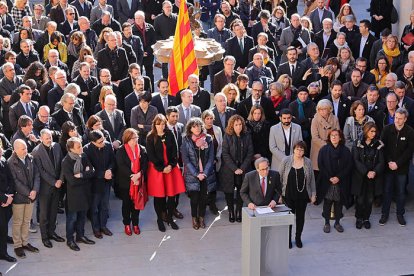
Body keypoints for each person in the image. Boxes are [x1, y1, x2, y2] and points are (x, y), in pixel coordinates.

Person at [146, 114, 186, 232]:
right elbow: (151, 156)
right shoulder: (150, 137)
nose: (161, 126)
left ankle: (169, 218)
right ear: (154, 124)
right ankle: (160, 219)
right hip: (158, 170)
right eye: (158, 124)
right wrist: (162, 168)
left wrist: (171, 165)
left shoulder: (169, 134)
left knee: (172, 195)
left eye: (163, 124)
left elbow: (175, 151)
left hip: (171, 169)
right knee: (159, 197)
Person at [380, 108, 414, 226]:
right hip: (388, 166)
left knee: (401, 192)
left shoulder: (410, 132)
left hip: (402, 168)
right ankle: (385, 214)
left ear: (405, 119)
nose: (397, 120)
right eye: (396, 118)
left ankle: (400, 214)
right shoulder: (387, 129)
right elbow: (383, 147)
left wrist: (398, 164)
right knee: (387, 190)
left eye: (400, 118)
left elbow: (409, 151)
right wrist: (389, 162)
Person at [181, 117, 216, 230]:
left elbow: (211, 158)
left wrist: (204, 173)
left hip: (206, 174)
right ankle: (194, 218)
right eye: (194, 126)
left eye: (198, 126)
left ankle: (201, 217)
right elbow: (186, 160)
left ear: (202, 126)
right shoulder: (186, 140)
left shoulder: (208, 138)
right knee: (194, 198)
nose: (197, 128)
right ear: (190, 128)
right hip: (193, 174)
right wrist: (197, 174)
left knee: (203, 198)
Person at [32, 129, 65, 249]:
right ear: (41, 139)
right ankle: (45, 237)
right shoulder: (36, 152)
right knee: (44, 214)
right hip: (45, 187)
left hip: (58, 185)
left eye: (50, 137)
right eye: (47, 138)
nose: (49, 140)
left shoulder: (56, 146)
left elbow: (62, 163)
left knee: (54, 211)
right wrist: (54, 182)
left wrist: (60, 179)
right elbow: (41, 172)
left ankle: (52, 232)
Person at [61, 137, 95, 251]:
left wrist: (81, 175)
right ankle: (70, 240)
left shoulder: (83, 156)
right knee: (72, 219)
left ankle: (80, 236)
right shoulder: (66, 162)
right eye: (78, 146)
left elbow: (92, 171)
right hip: (74, 196)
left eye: (81, 145)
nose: (81, 148)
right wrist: (85, 174)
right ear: (71, 149)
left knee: (82, 217)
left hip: (85, 193)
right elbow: (72, 181)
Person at [279, 141, 316, 248]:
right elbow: (280, 178)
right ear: (293, 149)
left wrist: (313, 194)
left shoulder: (308, 162)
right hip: (288, 195)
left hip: (302, 196)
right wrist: (280, 196)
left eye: (302, 150)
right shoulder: (286, 160)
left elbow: (312, 179)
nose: (299, 152)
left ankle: (298, 238)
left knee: (300, 218)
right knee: (289, 219)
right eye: (297, 149)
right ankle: (288, 239)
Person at [8, 139, 40, 258]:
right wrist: (29, 192)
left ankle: (25, 242)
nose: (26, 150)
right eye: (23, 149)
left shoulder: (30, 158)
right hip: (19, 198)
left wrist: (35, 190)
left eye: (26, 147)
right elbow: (15, 182)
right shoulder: (11, 162)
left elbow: (37, 174)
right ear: (15, 150)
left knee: (26, 221)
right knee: (17, 222)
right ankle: (18, 246)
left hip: (31, 197)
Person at [219, 115, 253, 223]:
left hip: (243, 168)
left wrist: (242, 168)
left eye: (240, 124)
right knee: (229, 192)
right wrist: (235, 169)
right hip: (229, 169)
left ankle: (238, 210)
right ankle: (231, 211)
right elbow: (225, 154)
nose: (238, 127)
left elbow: (250, 152)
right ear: (232, 126)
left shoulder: (247, 135)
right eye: (236, 125)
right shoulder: (227, 136)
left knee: (241, 190)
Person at [317, 129, 352, 233]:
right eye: (332, 135)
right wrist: (330, 178)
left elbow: (349, 166)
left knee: (339, 202)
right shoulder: (324, 149)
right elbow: (321, 165)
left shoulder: (345, 150)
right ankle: (326, 223)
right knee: (327, 202)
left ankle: (337, 222)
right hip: (327, 181)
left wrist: (338, 177)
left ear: (340, 137)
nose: (334, 137)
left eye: (336, 135)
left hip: (340, 181)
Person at [352, 122, 384, 230]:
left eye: (375, 131)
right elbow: (356, 160)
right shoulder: (357, 143)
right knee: (360, 199)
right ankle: (359, 218)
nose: (374, 134)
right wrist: (366, 172)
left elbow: (381, 161)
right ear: (366, 131)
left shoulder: (379, 144)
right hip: (360, 176)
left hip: (373, 177)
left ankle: (366, 218)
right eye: (371, 131)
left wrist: (374, 172)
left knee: (370, 199)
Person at [116, 128, 148, 236]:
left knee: (136, 204)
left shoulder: (142, 149)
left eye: (136, 138)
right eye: (133, 138)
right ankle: (126, 224)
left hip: (138, 181)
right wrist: (132, 176)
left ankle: (135, 223)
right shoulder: (121, 150)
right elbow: (121, 165)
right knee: (126, 204)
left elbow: (145, 163)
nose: (136, 140)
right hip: (126, 182)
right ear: (127, 139)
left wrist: (139, 174)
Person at [83, 130, 115, 239]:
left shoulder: (108, 145)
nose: (103, 143)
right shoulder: (86, 150)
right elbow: (89, 169)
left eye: (103, 140)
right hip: (94, 184)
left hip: (106, 182)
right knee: (95, 208)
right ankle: (96, 229)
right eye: (100, 142)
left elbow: (113, 160)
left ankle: (103, 226)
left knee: (105, 206)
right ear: (93, 142)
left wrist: (110, 170)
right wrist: (102, 174)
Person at [310, 99, 340, 173]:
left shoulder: (335, 118)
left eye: (324, 109)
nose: (322, 111)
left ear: (329, 109)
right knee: (319, 172)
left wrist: (332, 144)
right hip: (318, 149)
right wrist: (327, 145)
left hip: (332, 148)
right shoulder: (315, 120)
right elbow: (314, 137)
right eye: (320, 109)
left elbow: (338, 133)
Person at [0, 140, 16, 263]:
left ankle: (3, 253)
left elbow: (10, 179)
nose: (2, 150)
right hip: (2, 200)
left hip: (7, 199)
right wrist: (4, 198)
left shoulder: (3, 160)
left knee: (4, 227)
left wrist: (10, 196)